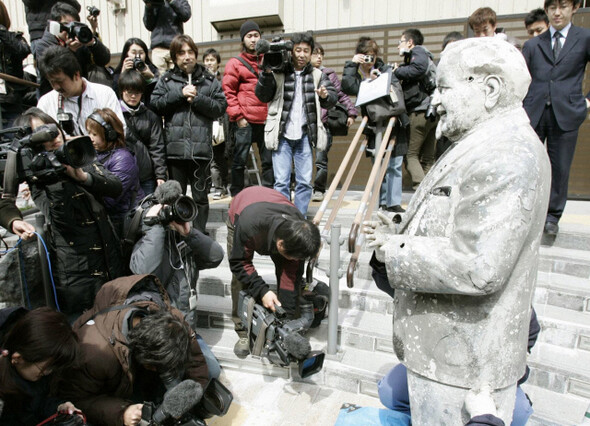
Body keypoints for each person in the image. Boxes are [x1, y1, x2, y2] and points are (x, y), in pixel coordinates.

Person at [366, 38, 550, 424]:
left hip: (464, 366)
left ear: (489, 89)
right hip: (447, 358)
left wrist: (394, 251)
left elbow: (478, 265)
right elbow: (458, 221)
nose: (436, 100)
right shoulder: (480, 141)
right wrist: (401, 226)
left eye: (445, 88)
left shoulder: (507, 154)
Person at [60, 274, 212, 426]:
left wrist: (188, 398)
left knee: (213, 370)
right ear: (143, 356)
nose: (163, 371)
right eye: (158, 367)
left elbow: (196, 364)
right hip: (109, 387)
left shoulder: (174, 325)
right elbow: (76, 400)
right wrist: (122, 413)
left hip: (133, 373)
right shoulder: (94, 354)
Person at [13, 107, 124, 316]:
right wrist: (53, 178)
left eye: (53, 129)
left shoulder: (77, 153)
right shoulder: (38, 179)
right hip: (77, 270)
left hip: (109, 257)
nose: (53, 137)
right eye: (43, 133)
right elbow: (63, 221)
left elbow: (116, 186)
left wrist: (84, 178)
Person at [521, 0, 590, 237]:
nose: (557, 13)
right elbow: (522, 80)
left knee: (560, 167)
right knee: (529, 166)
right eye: (552, 8)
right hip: (534, 112)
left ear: (574, 8)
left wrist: (586, 102)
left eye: (562, 7)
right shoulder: (533, 45)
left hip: (567, 111)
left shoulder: (584, 38)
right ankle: (526, 214)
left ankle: (552, 217)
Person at [227, 186, 321, 357]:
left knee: (292, 277)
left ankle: (282, 326)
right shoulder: (250, 225)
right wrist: (262, 291)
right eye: (292, 257)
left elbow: (289, 278)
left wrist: (287, 322)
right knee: (240, 279)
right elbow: (239, 262)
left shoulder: (299, 228)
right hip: (242, 211)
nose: (294, 261)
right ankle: (242, 331)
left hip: (271, 209)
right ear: (280, 245)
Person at [151, 34, 227, 234]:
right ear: (175, 57)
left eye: (190, 52)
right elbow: (156, 104)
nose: (187, 57)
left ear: (196, 54)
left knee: (201, 198)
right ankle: (178, 233)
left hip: (201, 151)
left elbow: (220, 107)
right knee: (176, 196)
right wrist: (180, 94)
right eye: (181, 53)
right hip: (175, 152)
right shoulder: (167, 79)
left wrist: (198, 98)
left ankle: (199, 235)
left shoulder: (209, 80)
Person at [255, 31, 337, 216]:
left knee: (304, 181)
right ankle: (284, 217)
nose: (301, 54)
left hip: (305, 136)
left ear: (311, 53)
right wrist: (266, 72)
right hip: (282, 135)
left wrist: (325, 95)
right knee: (281, 181)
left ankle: (298, 218)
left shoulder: (318, 74)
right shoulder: (278, 72)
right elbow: (262, 95)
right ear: (291, 51)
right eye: (297, 50)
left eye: (306, 51)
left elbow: (332, 98)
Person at [129, 180, 223, 326]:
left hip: (187, 326)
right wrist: (155, 225)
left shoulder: (186, 239)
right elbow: (143, 271)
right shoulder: (147, 240)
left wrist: (189, 233)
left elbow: (216, 256)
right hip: (161, 329)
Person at [342, 36, 408, 213]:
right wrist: (352, 65)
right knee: (377, 165)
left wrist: (376, 78)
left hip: (393, 122)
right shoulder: (356, 72)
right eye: (365, 55)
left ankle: (393, 202)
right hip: (373, 125)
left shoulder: (385, 69)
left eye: (372, 55)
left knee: (394, 164)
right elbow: (348, 87)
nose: (369, 60)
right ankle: (379, 201)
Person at [0, 307, 81, 425]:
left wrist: (59, 408)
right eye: (45, 368)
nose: (48, 372)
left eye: (54, 367)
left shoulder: (35, 372)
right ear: (17, 358)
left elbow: (37, 404)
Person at [222, 20, 274, 197]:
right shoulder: (235, 63)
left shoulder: (269, 60)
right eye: (249, 36)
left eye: (256, 35)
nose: (253, 39)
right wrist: (238, 116)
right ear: (243, 40)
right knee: (239, 160)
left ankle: (269, 194)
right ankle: (237, 194)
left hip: (266, 119)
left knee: (268, 161)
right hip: (245, 119)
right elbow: (228, 92)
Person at [37, 46, 124, 138]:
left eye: (60, 81)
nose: (56, 87)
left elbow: (121, 132)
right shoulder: (45, 103)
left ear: (76, 75)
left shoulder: (104, 94)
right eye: (51, 82)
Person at [310, 42, 357, 202]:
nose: (319, 57)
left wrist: (351, 112)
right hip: (306, 124)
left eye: (321, 54)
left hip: (324, 123)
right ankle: (300, 186)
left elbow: (341, 95)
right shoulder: (302, 75)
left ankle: (318, 189)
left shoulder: (328, 74)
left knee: (321, 159)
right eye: (316, 54)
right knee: (302, 157)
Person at [86, 108, 144, 237]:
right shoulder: (96, 154)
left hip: (124, 220)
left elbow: (110, 199)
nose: (90, 138)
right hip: (111, 219)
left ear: (110, 134)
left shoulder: (122, 158)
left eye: (95, 134)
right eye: (89, 133)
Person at [35, 2, 111, 97]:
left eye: (73, 25)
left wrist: (92, 43)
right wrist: (69, 51)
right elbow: (53, 72)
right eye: (65, 25)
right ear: (55, 25)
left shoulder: (78, 42)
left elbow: (103, 60)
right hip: (55, 97)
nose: (69, 30)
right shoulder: (43, 45)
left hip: (80, 96)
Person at [393, 28, 438, 190]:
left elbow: (418, 69)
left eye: (400, 42)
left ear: (410, 42)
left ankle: (421, 189)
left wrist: (397, 71)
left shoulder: (418, 52)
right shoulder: (426, 56)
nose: (398, 47)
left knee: (410, 155)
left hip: (419, 112)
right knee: (427, 158)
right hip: (432, 112)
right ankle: (431, 192)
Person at [119, 71, 167, 195]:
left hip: (146, 176)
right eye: (129, 92)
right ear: (122, 91)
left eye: (137, 92)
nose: (133, 96)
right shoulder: (114, 114)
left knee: (146, 211)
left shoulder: (151, 116)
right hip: (121, 174)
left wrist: (160, 175)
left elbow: (157, 147)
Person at [203, 48, 230, 200]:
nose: (209, 63)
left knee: (221, 158)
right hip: (206, 124)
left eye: (212, 60)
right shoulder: (200, 81)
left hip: (221, 124)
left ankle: (222, 186)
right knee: (210, 160)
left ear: (218, 63)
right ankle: (216, 187)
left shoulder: (222, 81)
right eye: (206, 60)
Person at [0, 1, 32, 128]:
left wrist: (1, 30)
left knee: (13, 139)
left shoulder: (15, 38)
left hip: (10, 100)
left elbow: (23, 50)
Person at [143, 0, 191, 73]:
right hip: (158, 48)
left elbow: (186, 15)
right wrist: (148, 6)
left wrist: (172, 1)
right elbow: (149, 25)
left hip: (175, 47)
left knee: (177, 77)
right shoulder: (154, 3)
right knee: (159, 78)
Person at [112, 38, 159, 107]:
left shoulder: (152, 69)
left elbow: (160, 91)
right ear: (126, 54)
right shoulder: (119, 72)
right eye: (133, 53)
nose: (137, 56)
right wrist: (123, 74)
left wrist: (152, 76)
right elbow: (115, 94)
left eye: (141, 53)